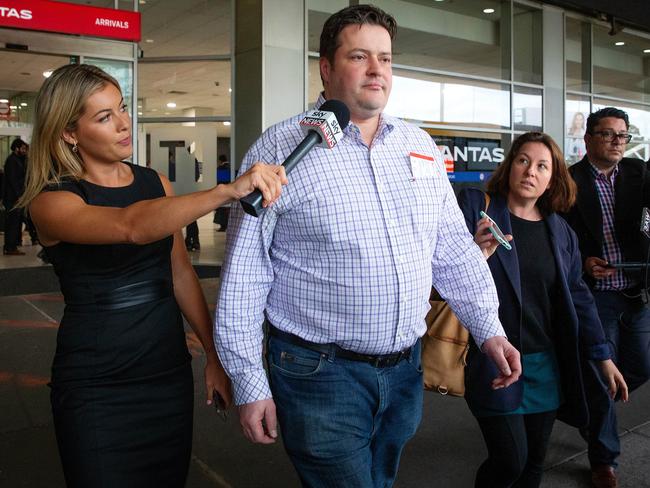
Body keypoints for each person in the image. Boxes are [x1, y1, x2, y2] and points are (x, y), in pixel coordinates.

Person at [215, 5, 521, 487]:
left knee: (380, 478)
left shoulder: (419, 146)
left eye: (386, 58)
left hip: (404, 371)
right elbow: (245, 277)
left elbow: (452, 251)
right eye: (360, 56)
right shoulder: (279, 150)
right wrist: (249, 381)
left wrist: (490, 329)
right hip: (319, 372)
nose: (378, 70)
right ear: (327, 68)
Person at [17, 64, 286, 488]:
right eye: (104, 117)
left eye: (121, 109)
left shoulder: (155, 183)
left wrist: (215, 357)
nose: (124, 124)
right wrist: (226, 190)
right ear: (69, 132)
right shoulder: (51, 201)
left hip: (165, 373)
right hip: (96, 383)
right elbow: (130, 225)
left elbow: (180, 274)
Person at [458, 131, 628, 488]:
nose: (530, 171)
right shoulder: (479, 210)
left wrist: (603, 357)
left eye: (542, 166)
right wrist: (471, 255)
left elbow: (579, 298)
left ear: (553, 178)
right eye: (523, 160)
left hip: (546, 364)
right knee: (509, 461)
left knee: (534, 463)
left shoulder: (560, 231)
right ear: (510, 164)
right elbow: (443, 268)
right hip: (497, 359)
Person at [563, 107, 650, 488]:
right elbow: (560, 236)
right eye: (608, 134)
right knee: (601, 376)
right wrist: (583, 262)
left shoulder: (640, 175)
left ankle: (584, 406)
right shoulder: (568, 181)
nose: (617, 141)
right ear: (589, 139)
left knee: (641, 366)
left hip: (636, 292)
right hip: (596, 295)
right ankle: (604, 460)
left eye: (623, 135)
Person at [2, 138, 29, 255]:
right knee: (12, 223)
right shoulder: (12, 161)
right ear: (16, 148)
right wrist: (19, 196)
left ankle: (12, 245)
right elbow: (13, 180)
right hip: (13, 197)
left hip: (15, 196)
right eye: (22, 148)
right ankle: (10, 247)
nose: (24, 151)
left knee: (15, 222)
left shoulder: (17, 160)